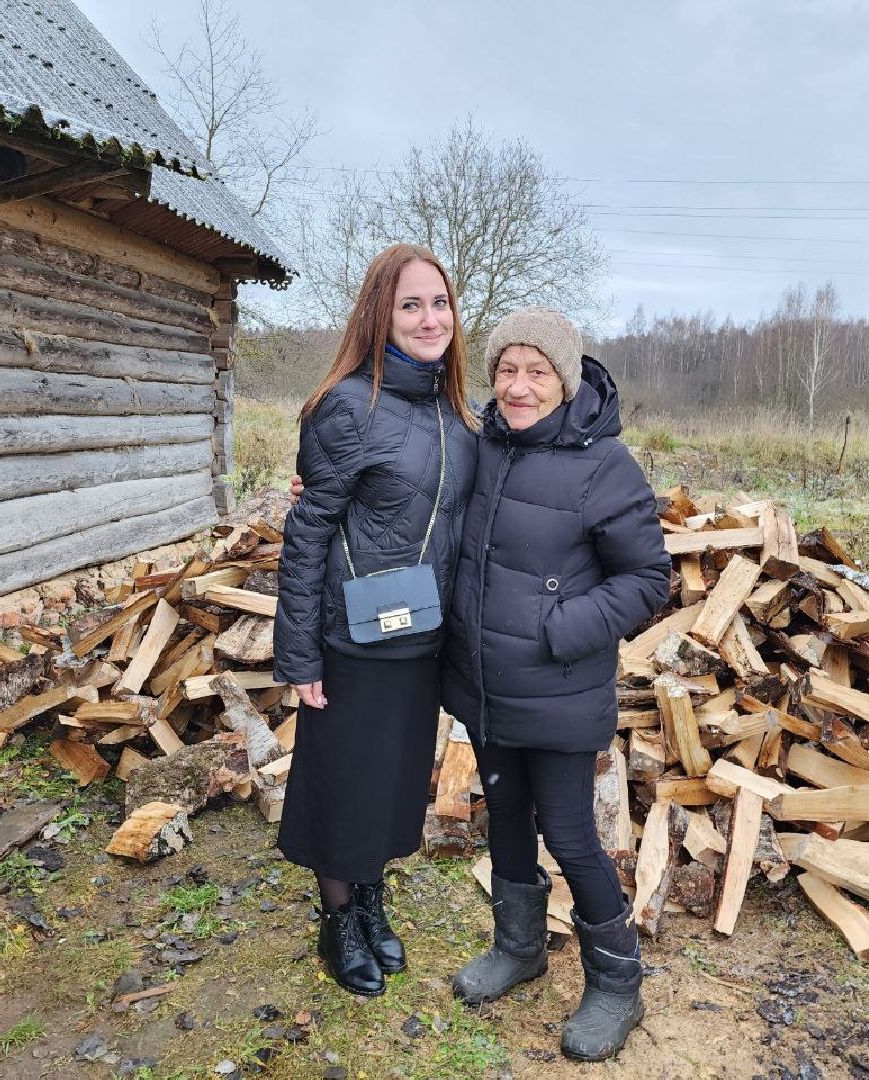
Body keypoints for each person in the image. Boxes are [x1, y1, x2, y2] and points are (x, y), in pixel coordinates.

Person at [441, 307, 669, 1060]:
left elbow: (647, 579)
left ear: (566, 381)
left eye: (537, 371)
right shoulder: (483, 446)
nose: (518, 385)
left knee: (569, 833)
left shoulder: (606, 466)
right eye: (507, 368)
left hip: (559, 685)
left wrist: (561, 629)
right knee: (503, 813)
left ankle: (617, 985)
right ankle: (520, 947)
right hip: (484, 682)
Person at [272, 244, 479, 997]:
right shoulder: (346, 407)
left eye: (439, 303)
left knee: (391, 788)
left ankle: (371, 901)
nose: (430, 319)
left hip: (422, 641)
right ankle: (338, 922)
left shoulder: (460, 415)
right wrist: (300, 658)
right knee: (343, 788)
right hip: (354, 638)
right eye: (411, 305)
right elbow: (308, 534)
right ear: (380, 316)